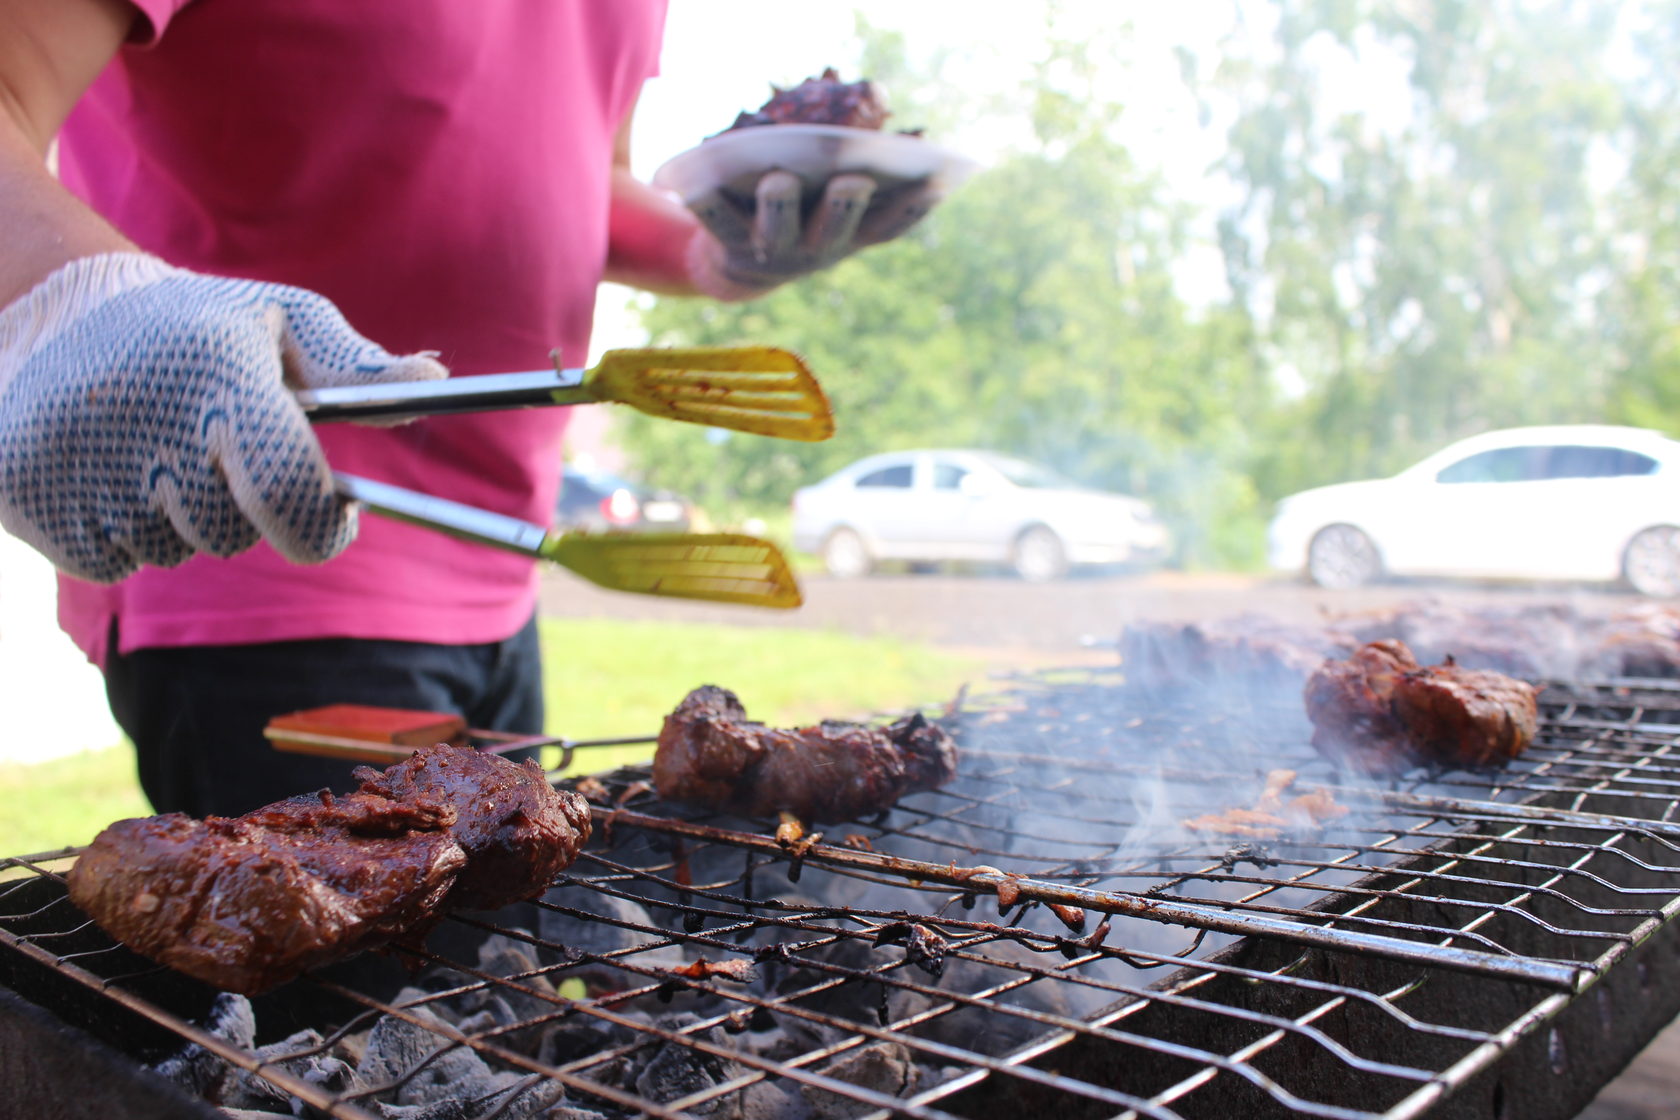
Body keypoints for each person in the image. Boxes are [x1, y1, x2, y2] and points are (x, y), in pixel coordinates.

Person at [0, 0, 942, 816]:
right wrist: (71, 293)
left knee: (490, 980)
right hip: (261, 552)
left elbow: (577, 180)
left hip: (508, 561)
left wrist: (720, 253)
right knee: (342, 1005)